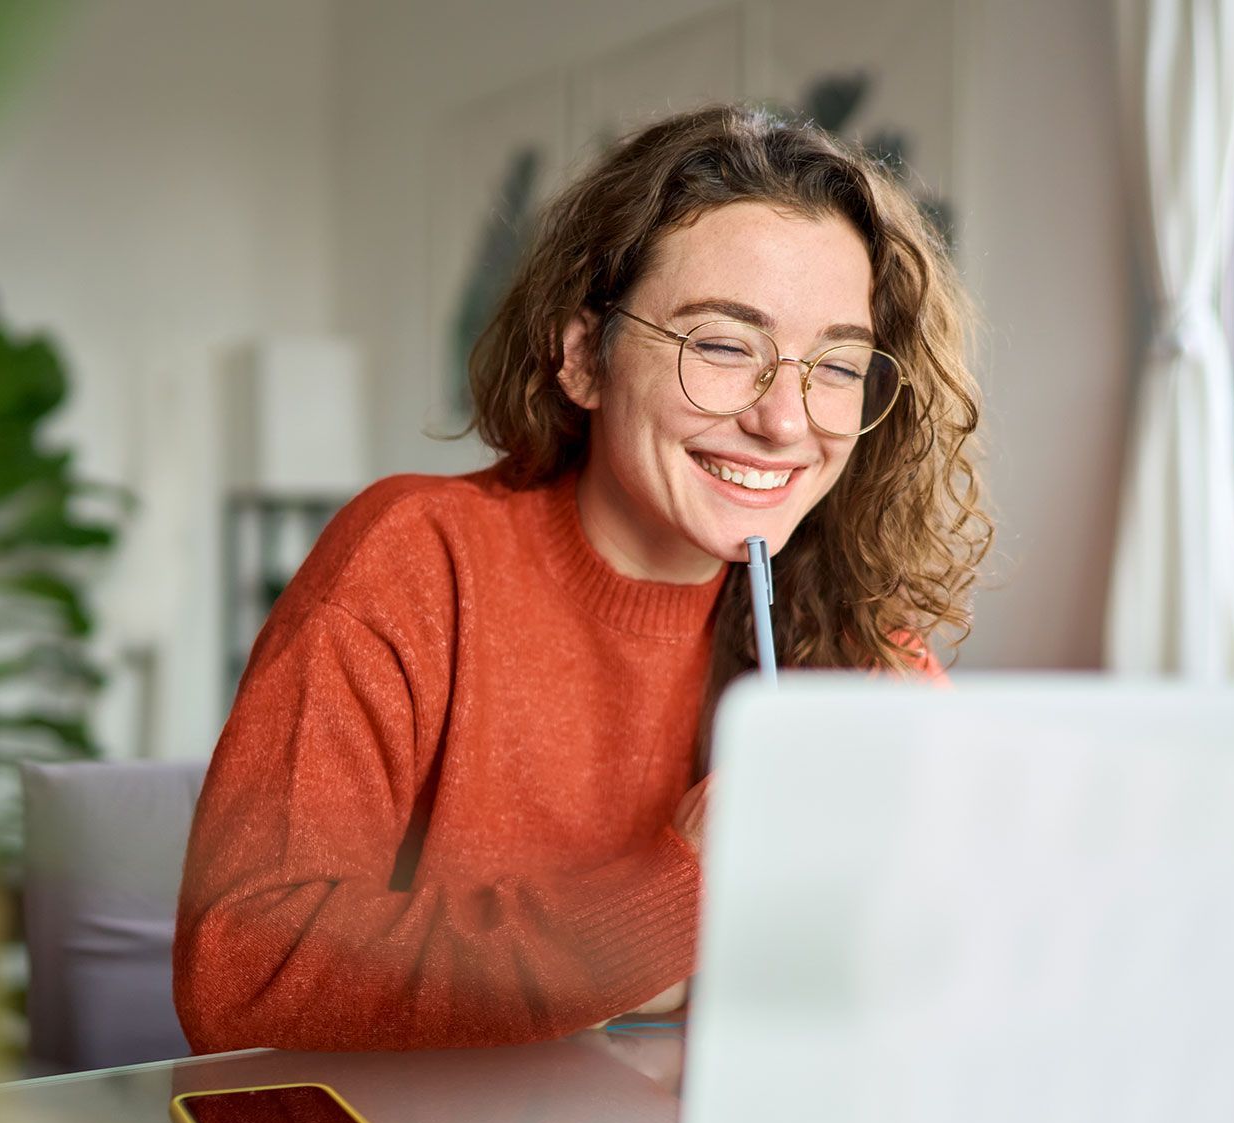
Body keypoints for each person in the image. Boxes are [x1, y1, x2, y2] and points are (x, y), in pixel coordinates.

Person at [172, 103, 992, 1053]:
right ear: (581, 357)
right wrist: (677, 895)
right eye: (724, 345)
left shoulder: (850, 626)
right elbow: (242, 971)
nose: (785, 421)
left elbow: (953, 950)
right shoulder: (414, 560)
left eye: (837, 365)